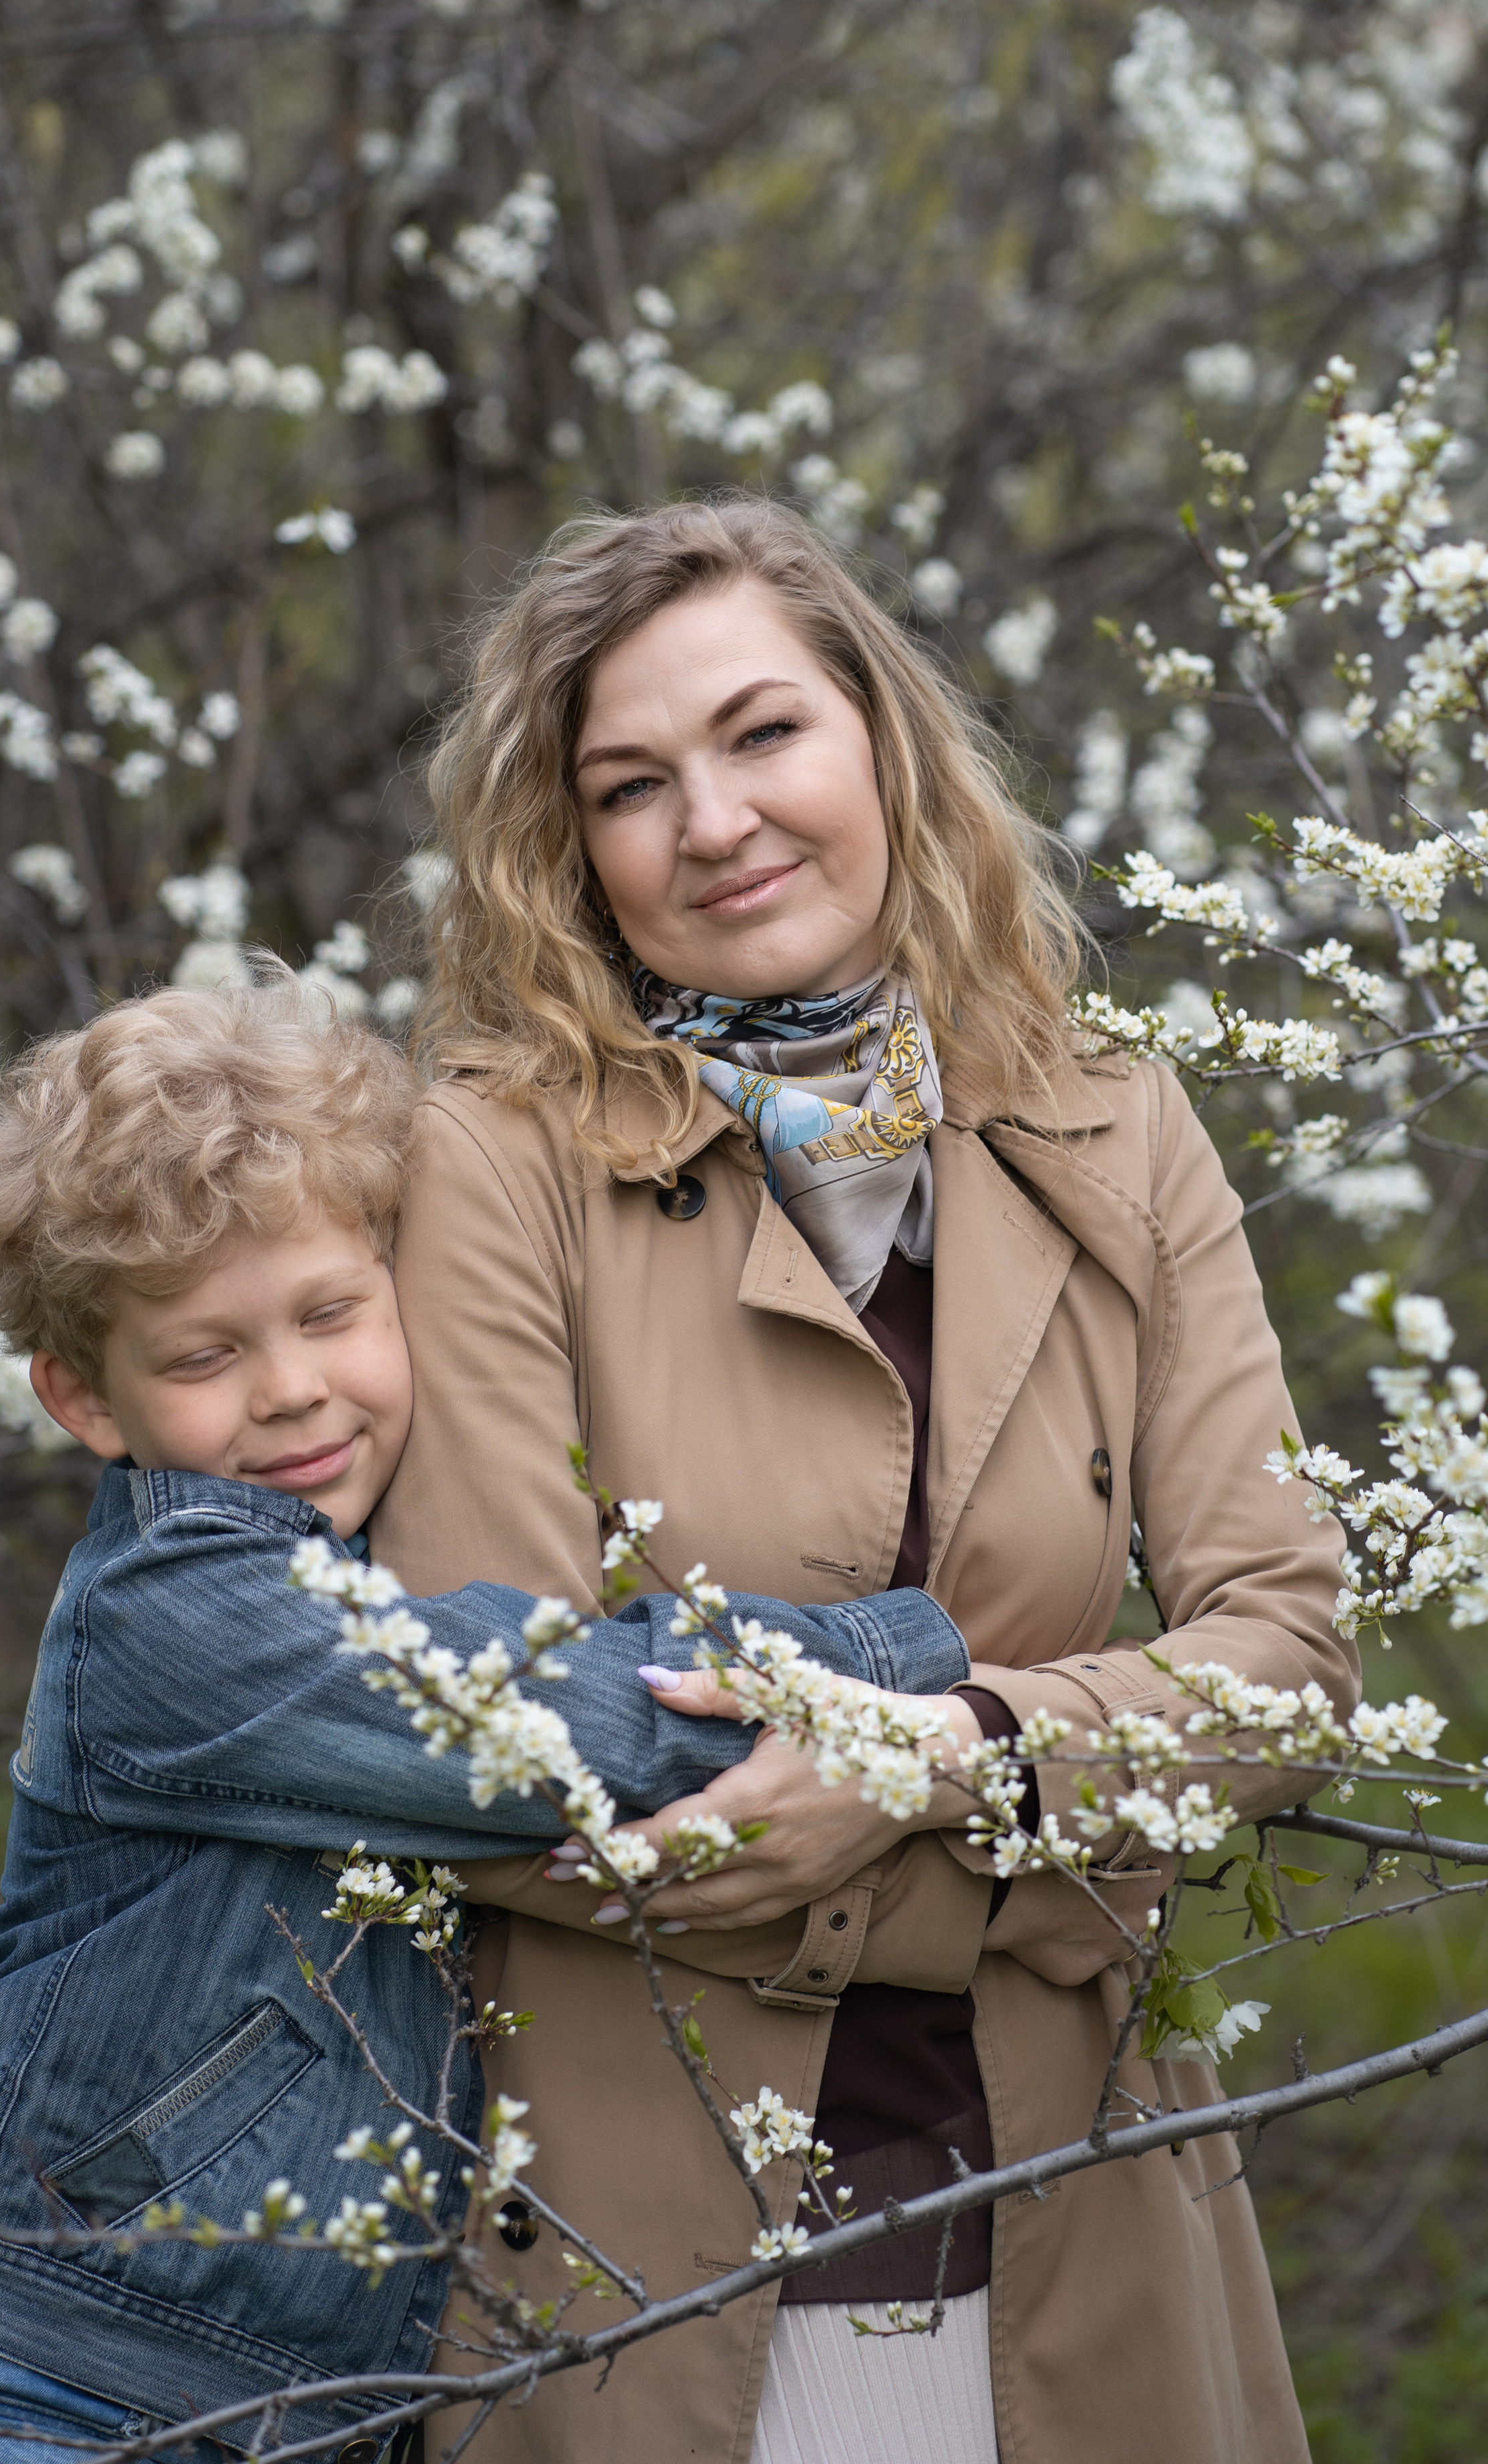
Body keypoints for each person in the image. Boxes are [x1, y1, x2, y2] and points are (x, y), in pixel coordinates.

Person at [370, 497, 1359, 2464]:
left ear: (880, 743)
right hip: (649, 2277)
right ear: (575, 856)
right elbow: (493, 1761)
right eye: (630, 786)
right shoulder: (491, 1163)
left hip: (1087, 2236)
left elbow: (1294, 1659)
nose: (714, 822)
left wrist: (944, 1755)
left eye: (762, 735)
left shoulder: (1113, 1114)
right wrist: (1063, 1813)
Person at [0, 974, 970, 2464]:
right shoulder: (176, 1617)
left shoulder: (360, 1554)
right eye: (203, 1356)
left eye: (332, 1314)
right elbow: (564, 1730)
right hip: (16, 2389)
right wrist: (902, 1642)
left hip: (274, 2409)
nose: (291, 1392)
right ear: (85, 1401)